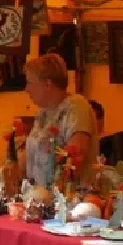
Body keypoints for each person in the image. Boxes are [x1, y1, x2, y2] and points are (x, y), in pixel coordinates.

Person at [22, 53, 98, 187]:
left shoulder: (76, 108)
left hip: (66, 200)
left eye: (30, 82)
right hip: (39, 197)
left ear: (48, 84)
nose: (26, 89)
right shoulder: (43, 113)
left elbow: (76, 159)